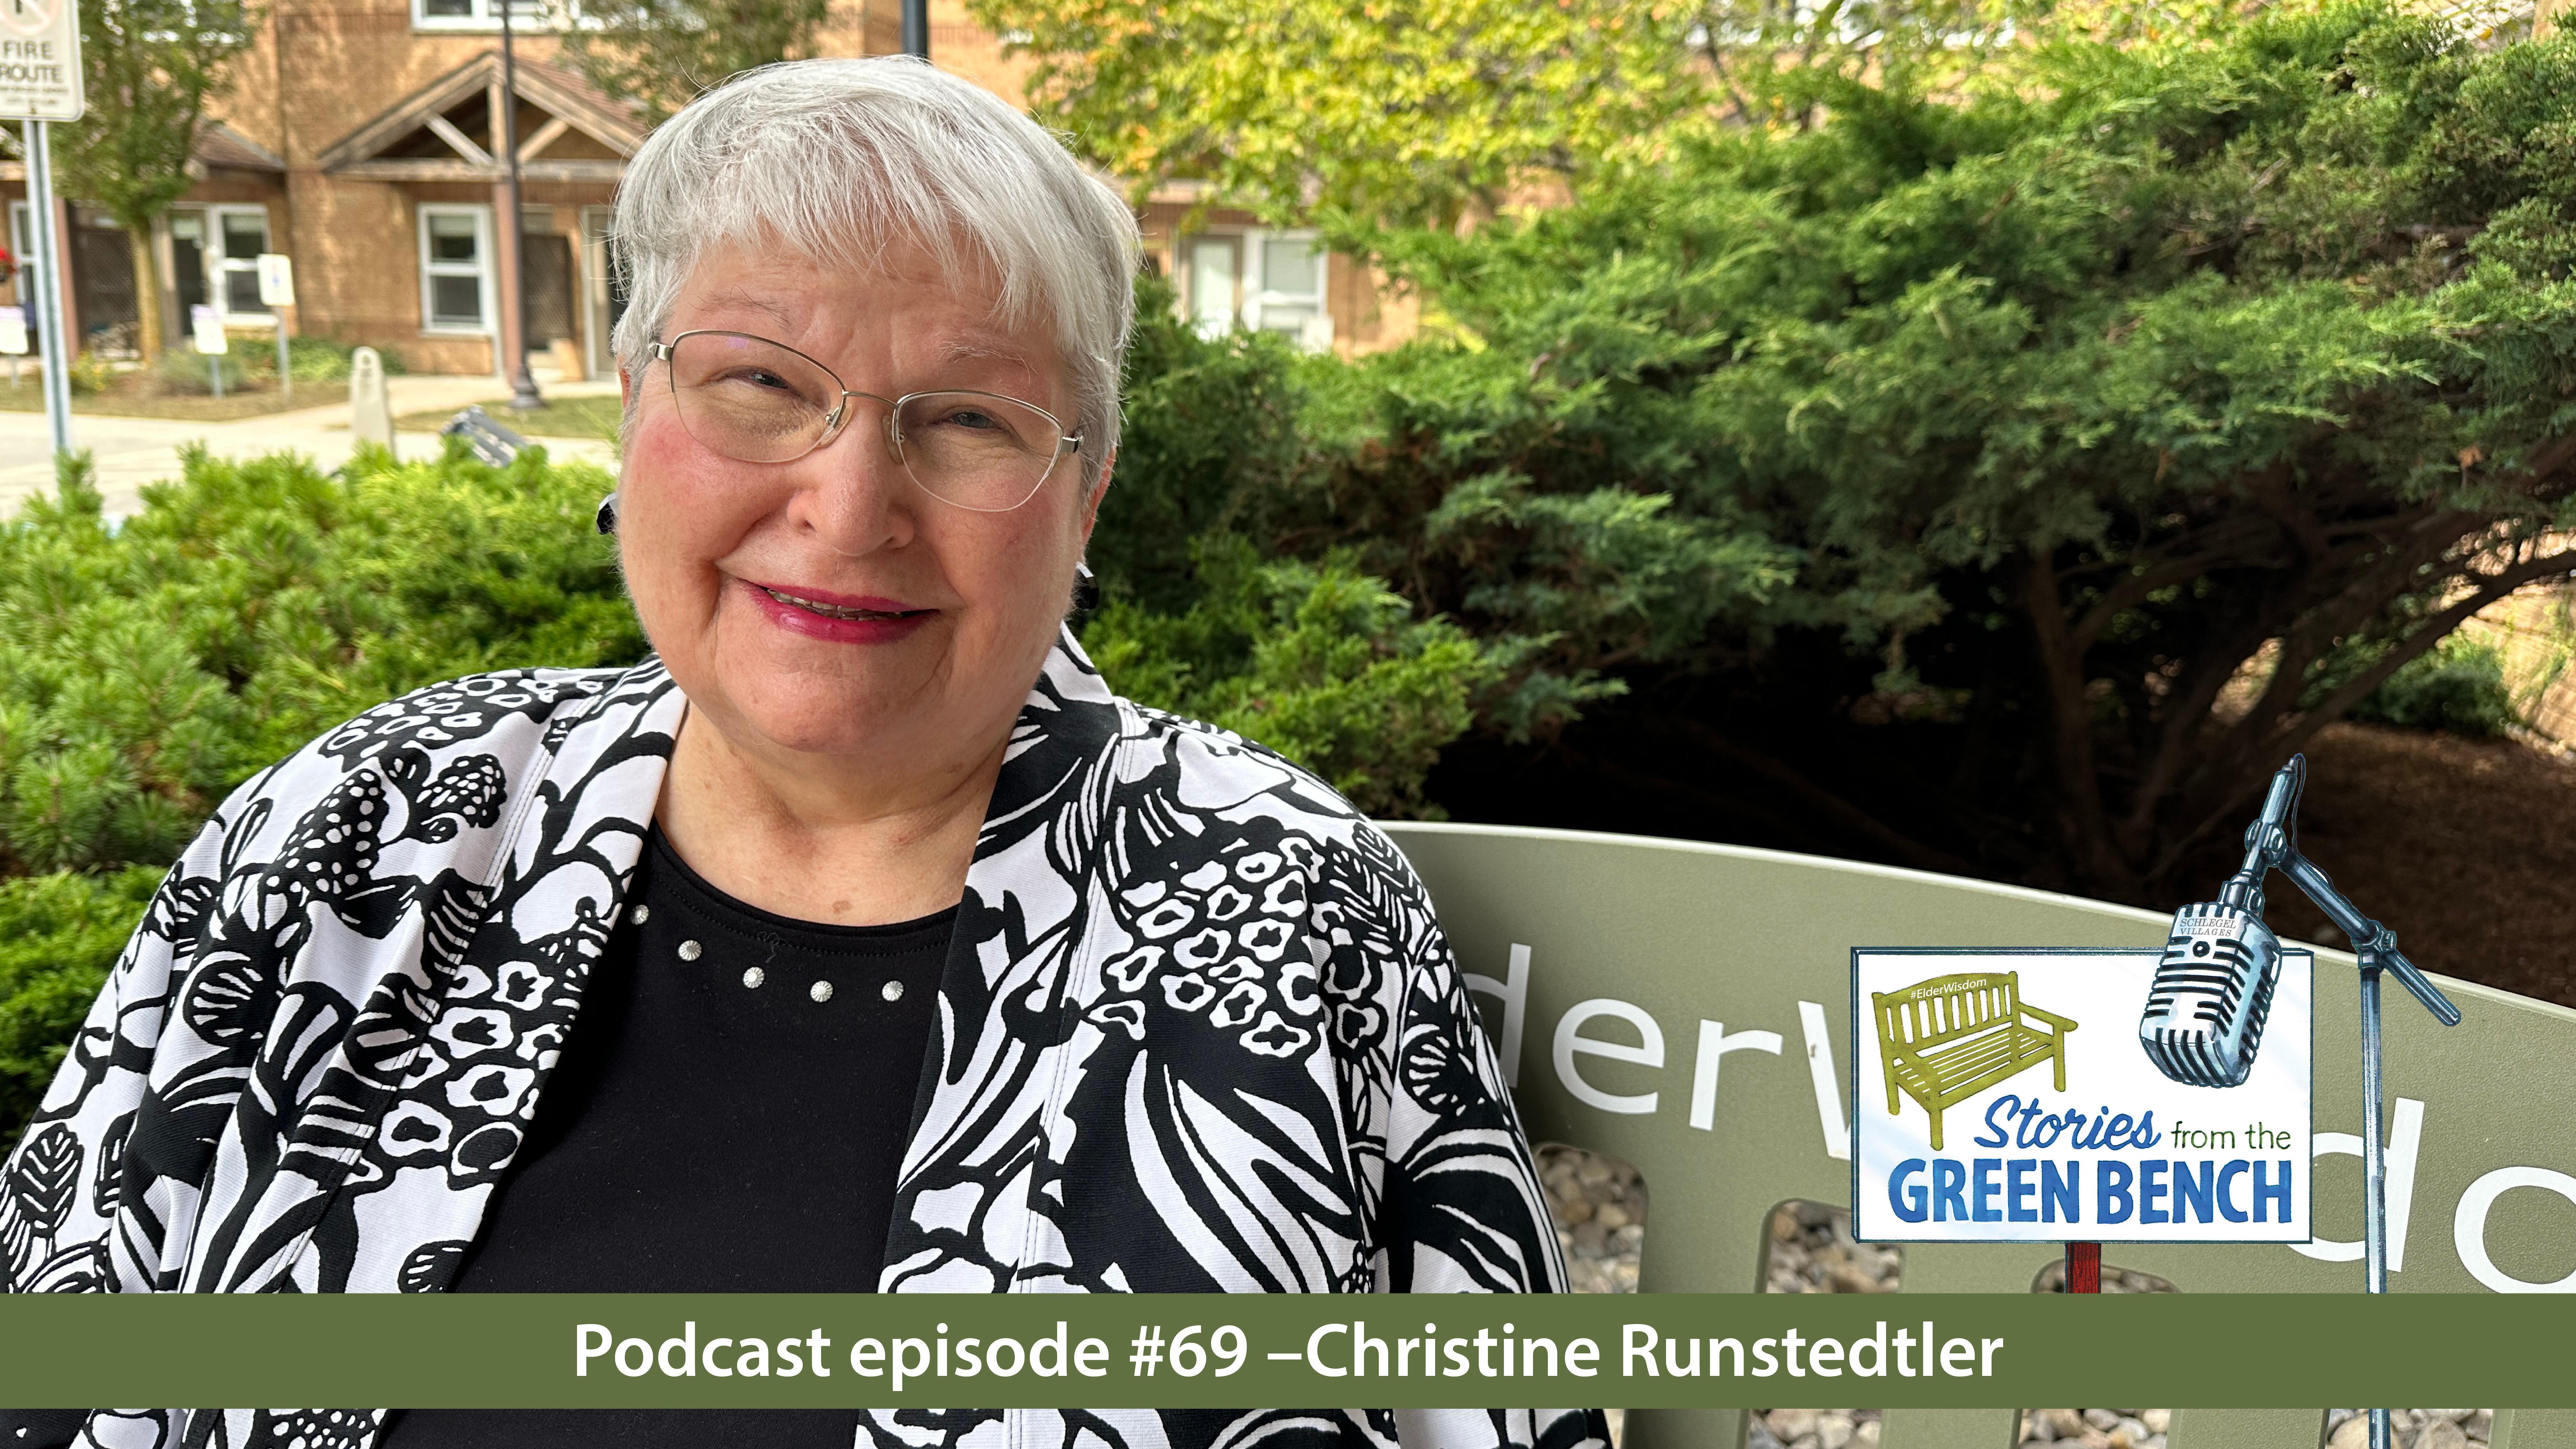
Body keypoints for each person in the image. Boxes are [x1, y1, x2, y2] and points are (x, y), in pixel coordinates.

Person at [0, 57, 1603, 1449]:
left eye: (968, 420)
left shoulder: (1285, 910)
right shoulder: (372, 824)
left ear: (1086, 492)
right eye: (760, 385)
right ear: (633, 407)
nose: (847, 510)